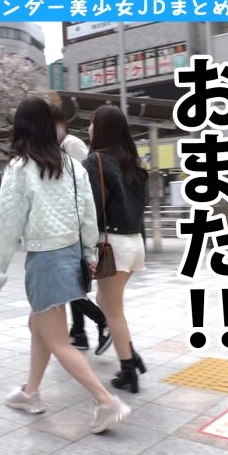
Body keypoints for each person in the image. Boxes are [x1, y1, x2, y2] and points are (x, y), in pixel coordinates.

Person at [0, 97, 130, 433]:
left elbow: (5, 223)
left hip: (46, 261)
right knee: (38, 325)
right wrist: (90, 255)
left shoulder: (21, 167)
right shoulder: (73, 166)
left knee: (57, 340)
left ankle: (106, 402)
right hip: (71, 256)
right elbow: (89, 216)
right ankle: (31, 392)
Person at [83, 105, 149, 394]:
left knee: (113, 310)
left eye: (92, 123)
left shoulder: (95, 161)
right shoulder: (133, 163)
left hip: (110, 244)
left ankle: (128, 370)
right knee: (106, 301)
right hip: (134, 244)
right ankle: (129, 355)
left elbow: (90, 211)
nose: (89, 128)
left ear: (102, 128)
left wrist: (84, 246)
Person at [50, 105, 112, 355]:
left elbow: (85, 183)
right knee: (72, 284)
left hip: (75, 226)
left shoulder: (71, 144)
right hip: (66, 226)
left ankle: (101, 322)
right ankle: (79, 333)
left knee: (69, 284)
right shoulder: (56, 148)